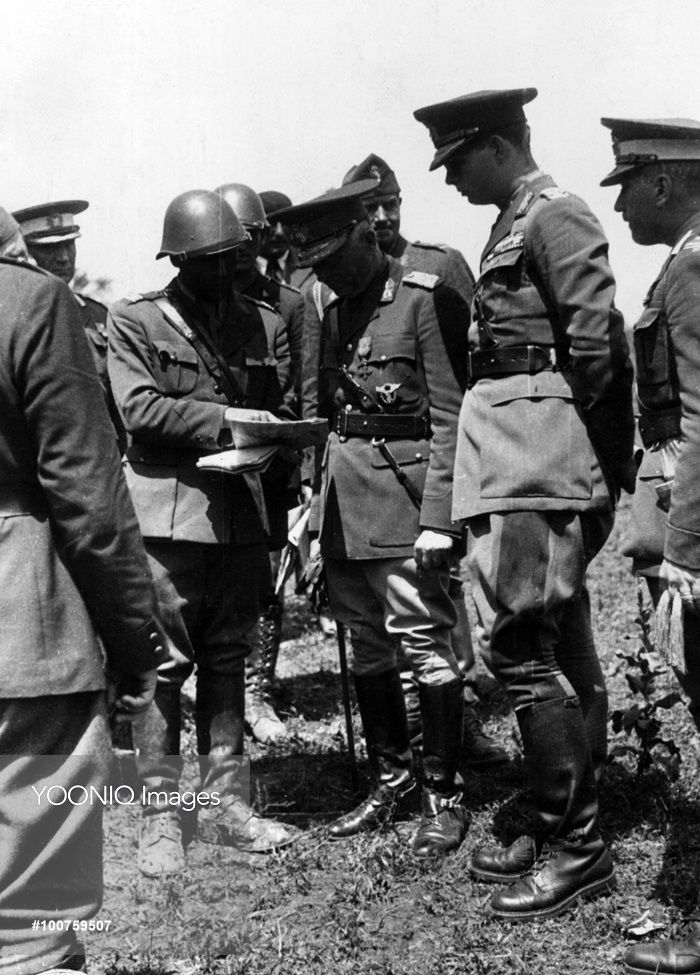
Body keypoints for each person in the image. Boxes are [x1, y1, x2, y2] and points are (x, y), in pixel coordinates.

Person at [414, 87, 635, 919]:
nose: (449, 179)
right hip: (512, 456)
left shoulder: (555, 215)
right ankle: (558, 816)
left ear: (499, 147)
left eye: (458, 159)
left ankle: (580, 844)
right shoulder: (511, 220)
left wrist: (589, 464)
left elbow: (593, 347)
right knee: (554, 632)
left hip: (535, 459)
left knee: (518, 650)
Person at [277, 181, 471, 858]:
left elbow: (449, 415)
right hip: (345, 506)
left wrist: (441, 519)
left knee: (424, 643)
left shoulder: (419, 294)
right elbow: (332, 414)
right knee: (365, 644)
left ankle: (443, 794)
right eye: (316, 267)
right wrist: (312, 508)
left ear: (367, 232)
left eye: (333, 260)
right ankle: (390, 780)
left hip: (404, 502)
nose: (326, 276)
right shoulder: (334, 313)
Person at [107, 189, 296, 876]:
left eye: (232, 259)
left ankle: (226, 807)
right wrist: (227, 416)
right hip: (167, 514)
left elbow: (277, 405)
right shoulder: (136, 320)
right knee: (163, 665)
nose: (226, 274)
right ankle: (161, 818)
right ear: (180, 261)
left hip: (238, 513)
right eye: (210, 263)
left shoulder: (261, 322)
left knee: (228, 660)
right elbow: (140, 409)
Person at [0, 249, 166, 974]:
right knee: (30, 919)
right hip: (21, 624)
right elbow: (90, 504)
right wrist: (137, 646)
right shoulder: (29, 301)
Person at [338, 153, 507, 770]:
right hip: (366, 489)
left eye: (392, 203)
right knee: (378, 630)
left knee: (438, 611)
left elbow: (462, 380)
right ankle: (406, 753)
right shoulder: (332, 291)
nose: (383, 217)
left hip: (428, 473)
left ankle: (455, 739)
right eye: (370, 209)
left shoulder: (437, 267)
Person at [599, 116, 700, 975]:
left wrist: (688, 546)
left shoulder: (696, 269)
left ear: (662, 181)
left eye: (627, 184)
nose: (622, 203)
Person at [215, 182, 300, 745]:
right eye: (233, 238)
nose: (244, 249)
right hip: (214, 467)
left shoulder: (288, 305)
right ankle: (221, 686)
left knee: (267, 586)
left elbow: (299, 390)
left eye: (254, 236)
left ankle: (258, 692)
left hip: (268, 468)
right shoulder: (191, 306)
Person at [13, 199, 125, 450]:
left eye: (68, 244)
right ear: (26, 252)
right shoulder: (13, 318)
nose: (63, 257)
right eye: (49, 248)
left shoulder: (98, 316)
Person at [258, 190, 315, 293]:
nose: (279, 232)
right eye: (270, 223)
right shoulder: (237, 273)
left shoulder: (313, 266)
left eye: (285, 222)